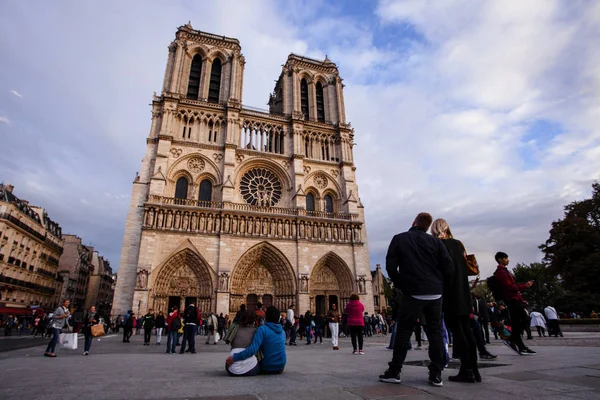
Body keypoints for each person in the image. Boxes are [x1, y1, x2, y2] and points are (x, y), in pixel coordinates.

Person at [380, 212, 454, 387]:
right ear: (428, 227)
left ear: (414, 222)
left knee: (404, 332)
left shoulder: (400, 238)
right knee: (435, 333)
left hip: (412, 292)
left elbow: (390, 267)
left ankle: (395, 371)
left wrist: (401, 284)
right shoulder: (436, 242)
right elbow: (449, 268)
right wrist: (439, 286)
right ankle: (436, 374)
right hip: (435, 293)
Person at [430, 218, 479, 383]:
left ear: (435, 230)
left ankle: (466, 371)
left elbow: (441, 271)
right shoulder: (458, 244)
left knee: (458, 334)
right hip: (464, 294)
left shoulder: (438, 246)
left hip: (450, 294)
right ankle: (474, 370)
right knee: (467, 332)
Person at [493, 252, 536, 355]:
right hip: (511, 299)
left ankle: (518, 343)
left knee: (517, 321)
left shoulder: (504, 272)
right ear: (500, 259)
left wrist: (521, 299)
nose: (507, 260)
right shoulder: (501, 273)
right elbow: (510, 288)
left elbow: (513, 289)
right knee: (523, 319)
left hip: (514, 298)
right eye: (505, 258)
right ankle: (514, 340)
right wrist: (525, 286)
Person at [226, 306, 286, 375]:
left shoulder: (262, 329)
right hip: (281, 367)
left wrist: (234, 358)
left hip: (267, 367)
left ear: (266, 317)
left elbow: (253, 349)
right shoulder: (282, 331)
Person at [226, 310, 260, 376]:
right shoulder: (256, 330)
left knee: (227, 363)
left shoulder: (234, 328)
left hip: (232, 370)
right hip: (251, 369)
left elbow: (229, 342)